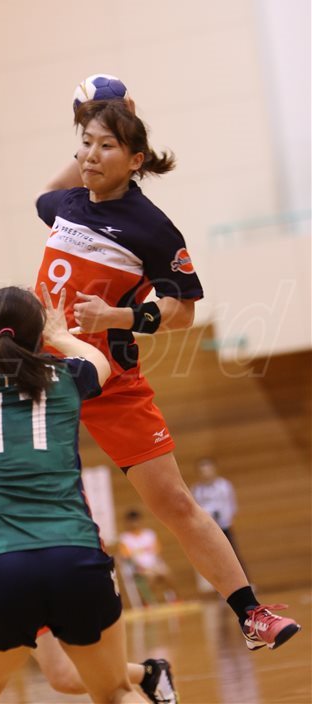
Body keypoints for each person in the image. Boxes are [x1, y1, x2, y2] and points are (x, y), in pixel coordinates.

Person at [33, 97, 300, 651]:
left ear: (136, 160)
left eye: (106, 146)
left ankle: (251, 615)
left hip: (111, 382)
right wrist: (101, 112)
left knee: (175, 502)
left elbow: (183, 311)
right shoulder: (67, 204)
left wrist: (118, 317)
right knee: (13, 491)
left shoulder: (152, 227)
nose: (90, 156)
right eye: (85, 144)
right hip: (40, 373)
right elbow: (44, 192)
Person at [0, 251, 163, 704]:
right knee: (114, 691)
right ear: (39, 340)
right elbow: (96, 358)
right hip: (76, 558)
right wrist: (60, 333)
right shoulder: (68, 376)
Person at [0, 447, 178, 703]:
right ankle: (140, 678)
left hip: (13, 569)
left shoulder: (23, 448)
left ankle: (147, 673)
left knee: (62, 677)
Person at [191, 458, 249, 579]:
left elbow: (231, 506)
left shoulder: (224, 485)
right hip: (208, 530)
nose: (206, 473)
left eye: (208, 470)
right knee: (214, 559)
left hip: (224, 526)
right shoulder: (197, 490)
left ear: (214, 470)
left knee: (234, 556)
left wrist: (224, 517)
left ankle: (246, 583)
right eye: (203, 471)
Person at [118, 510, 178, 605]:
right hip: (137, 568)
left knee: (167, 574)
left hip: (154, 565)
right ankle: (147, 602)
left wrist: (156, 565)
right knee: (150, 577)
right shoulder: (125, 538)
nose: (134, 523)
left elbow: (158, 550)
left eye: (136, 520)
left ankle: (174, 599)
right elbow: (127, 557)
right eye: (132, 520)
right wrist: (141, 568)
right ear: (127, 523)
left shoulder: (149, 534)